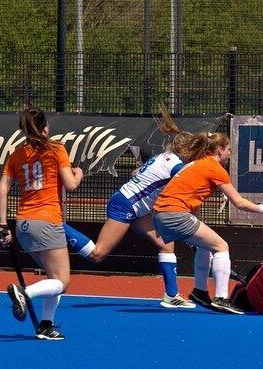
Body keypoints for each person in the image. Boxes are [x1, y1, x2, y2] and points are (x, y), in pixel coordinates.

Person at [65, 107, 208, 309]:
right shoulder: (178, 167)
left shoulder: (164, 156)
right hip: (126, 205)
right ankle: (57, 225)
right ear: (189, 151)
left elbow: (135, 172)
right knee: (98, 254)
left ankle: (171, 295)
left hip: (134, 205)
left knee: (166, 244)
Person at [152, 131, 263, 314]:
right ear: (220, 150)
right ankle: (221, 298)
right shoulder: (214, 168)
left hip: (160, 214)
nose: (230, 154)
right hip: (173, 213)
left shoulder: (196, 164)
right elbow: (239, 202)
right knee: (221, 246)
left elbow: (191, 199)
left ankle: (200, 292)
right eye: (228, 150)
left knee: (206, 246)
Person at [0, 107, 84, 340]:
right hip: (47, 221)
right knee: (62, 282)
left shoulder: (17, 154)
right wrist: (79, 174)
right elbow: (71, 184)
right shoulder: (56, 149)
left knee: (52, 276)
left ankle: (46, 325)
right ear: (45, 127)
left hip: (23, 224)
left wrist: (3, 225)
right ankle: (25, 293)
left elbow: (3, 188)